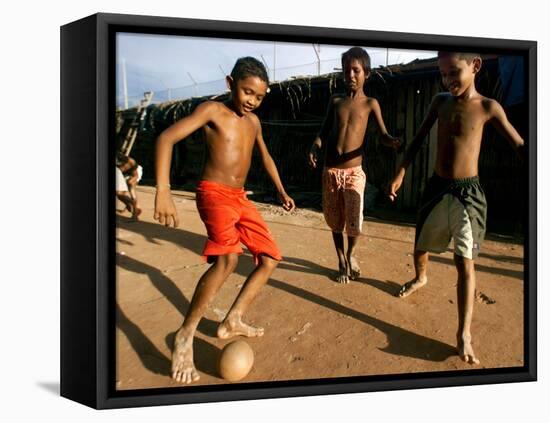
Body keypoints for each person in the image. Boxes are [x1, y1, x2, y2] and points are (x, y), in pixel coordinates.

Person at [154, 57, 295, 384]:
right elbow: (165, 139)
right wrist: (163, 190)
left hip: (239, 198)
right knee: (228, 259)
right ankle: (185, 334)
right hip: (213, 193)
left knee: (271, 257)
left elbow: (265, 157)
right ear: (230, 83)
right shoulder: (212, 111)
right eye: (247, 92)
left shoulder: (254, 122)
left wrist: (281, 190)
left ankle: (233, 319)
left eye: (259, 97)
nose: (252, 101)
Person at [388, 52, 524, 364]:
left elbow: (518, 145)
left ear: (475, 66)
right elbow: (419, 138)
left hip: (468, 194)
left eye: (454, 72)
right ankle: (421, 277)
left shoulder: (488, 107)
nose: (447, 80)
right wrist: (401, 171)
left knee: (465, 261)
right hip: (437, 187)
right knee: (420, 244)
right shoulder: (440, 102)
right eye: (442, 73)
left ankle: (464, 333)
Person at [308, 47, 401, 284]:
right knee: (335, 219)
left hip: (354, 172)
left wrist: (391, 141)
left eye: (356, 70)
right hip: (330, 170)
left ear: (366, 73)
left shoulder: (371, 103)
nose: (350, 75)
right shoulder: (335, 101)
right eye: (346, 70)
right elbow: (323, 131)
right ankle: (341, 260)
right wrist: (315, 146)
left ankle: (351, 253)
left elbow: (382, 134)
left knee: (354, 220)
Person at [116, 153, 142, 219]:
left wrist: (131, 181)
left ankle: (135, 215)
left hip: (135, 173)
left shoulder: (131, 161)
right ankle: (129, 205)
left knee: (132, 190)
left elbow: (136, 175)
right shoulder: (117, 164)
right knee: (119, 194)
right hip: (124, 175)